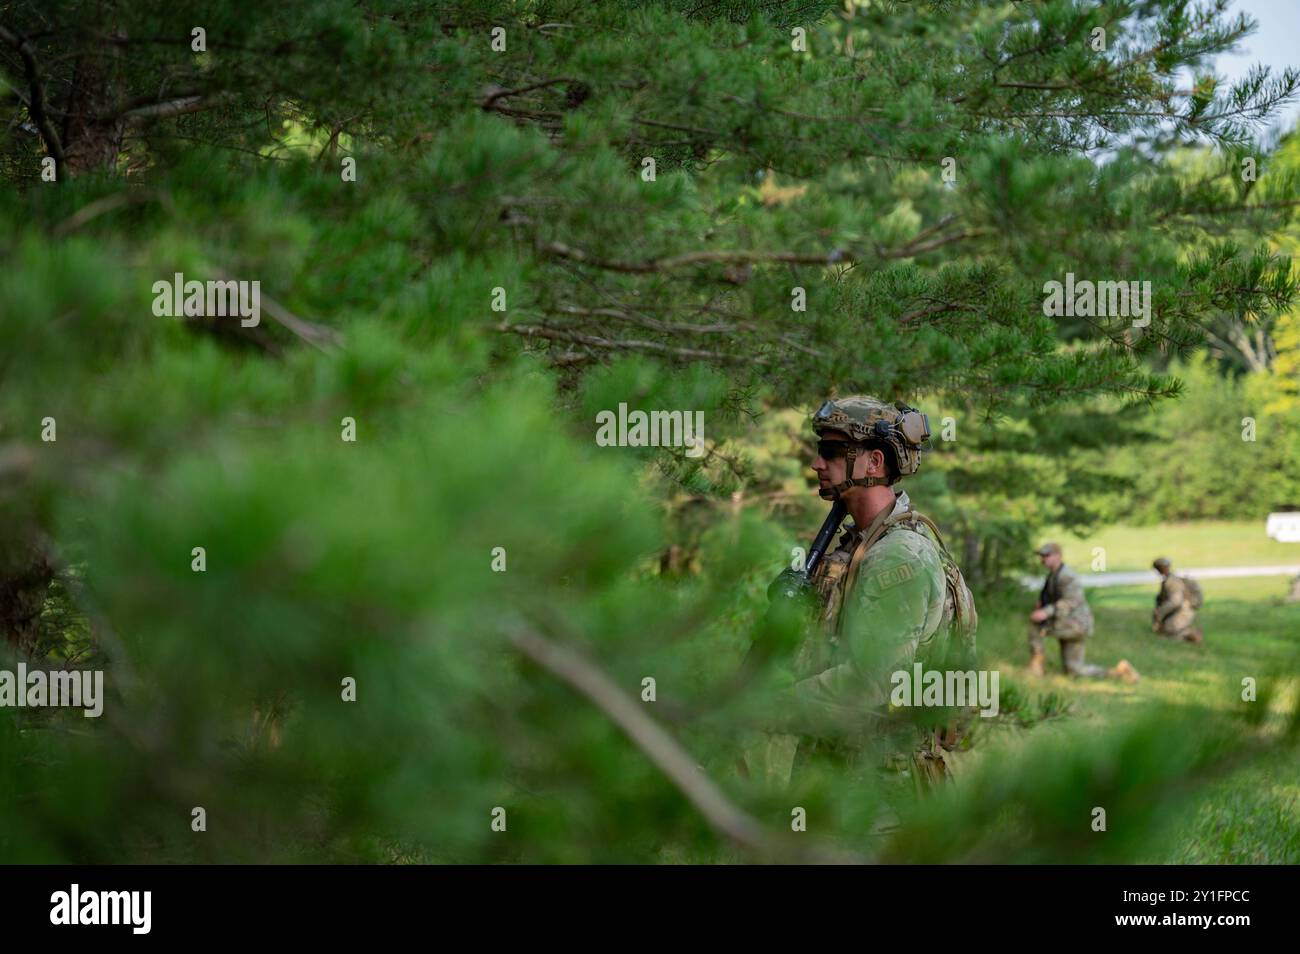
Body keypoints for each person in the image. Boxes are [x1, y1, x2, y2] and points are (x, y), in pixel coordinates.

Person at [745, 396, 978, 791]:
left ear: (874, 463)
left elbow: (875, 679)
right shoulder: (860, 544)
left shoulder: (898, 557)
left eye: (832, 452)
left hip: (880, 788)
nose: (818, 464)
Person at [1028, 542, 1138, 682]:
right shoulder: (1054, 576)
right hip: (1068, 623)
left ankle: (1036, 667)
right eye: (1042, 556)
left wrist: (1046, 612)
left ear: (1058, 556)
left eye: (1047, 555)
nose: (1043, 559)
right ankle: (1118, 672)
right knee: (1074, 670)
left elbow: (1071, 601)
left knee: (1035, 624)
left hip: (1073, 625)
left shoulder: (1067, 576)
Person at [1151, 557, 1203, 643]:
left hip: (1184, 609)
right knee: (1164, 630)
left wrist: (1160, 612)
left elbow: (1175, 601)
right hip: (1180, 609)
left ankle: (1191, 634)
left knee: (1169, 630)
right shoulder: (1169, 580)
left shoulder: (1172, 582)